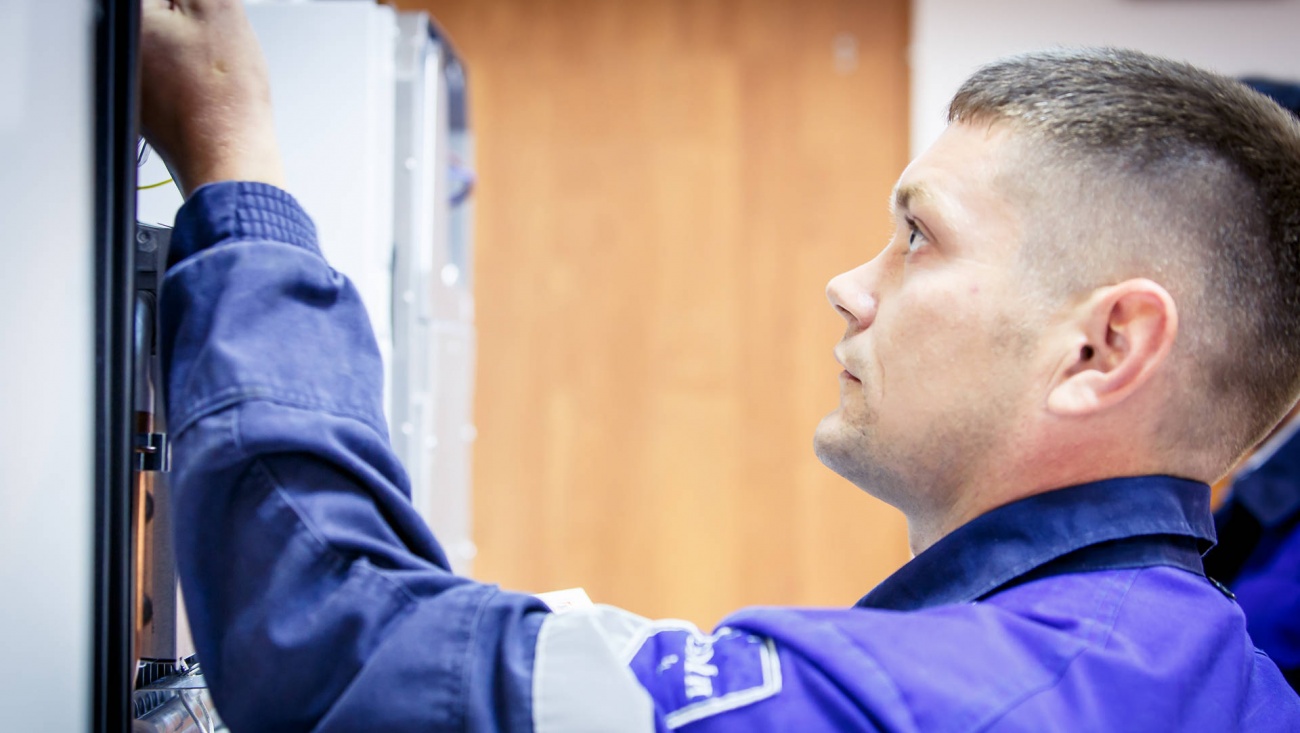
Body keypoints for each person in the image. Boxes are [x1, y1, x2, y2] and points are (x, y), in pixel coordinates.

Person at [141, 1, 1300, 730]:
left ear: (1102, 347)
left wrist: (233, 160)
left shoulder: (952, 700)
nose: (849, 284)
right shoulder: (1215, 676)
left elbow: (342, 653)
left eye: (917, 236)